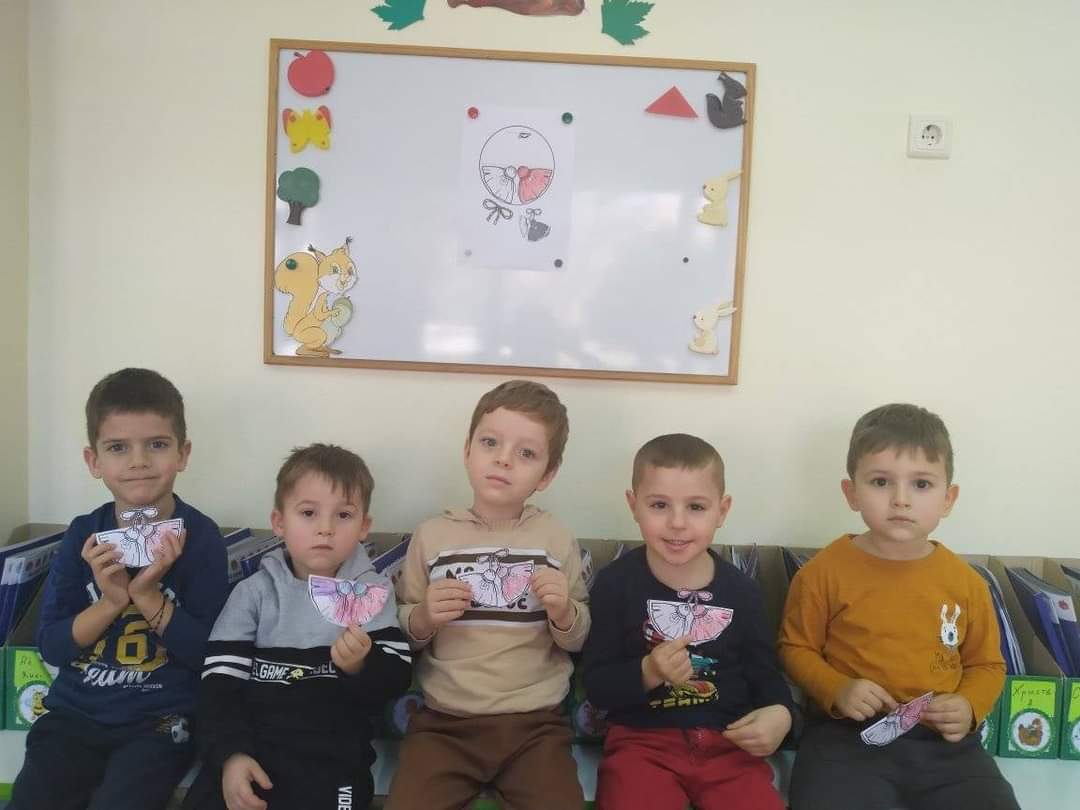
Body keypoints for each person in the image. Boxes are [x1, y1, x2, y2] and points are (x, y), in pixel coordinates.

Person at [779, 403, 1019, 810]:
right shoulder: (822, 573)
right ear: (852, 493)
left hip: (944, 745)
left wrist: (969, 705)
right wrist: (837, 688)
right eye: (881, 482)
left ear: (948, 498)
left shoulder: (966, 583)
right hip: (846, 738)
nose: (901, 500)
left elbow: (986, 665)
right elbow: (794, 648)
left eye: (921, 484)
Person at [11, 368, 229, 810]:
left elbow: (209, 655)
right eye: (117, 447)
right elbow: (52, 647)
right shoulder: (83, 535)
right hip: (74, 715)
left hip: (160, 720)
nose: (138, 461)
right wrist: (112, 602)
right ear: (94, 461)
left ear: (183, 453)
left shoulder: (202, 538)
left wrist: (148, 597)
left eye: (157, 444)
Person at [386, 380, 590, 810]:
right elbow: (399, 629)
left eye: (526, 453)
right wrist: (424, 616)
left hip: (536, 725)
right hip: (443, 723)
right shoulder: (432, 535)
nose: (503, 459)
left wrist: (564, 612)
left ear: (547, 474)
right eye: (490, 442)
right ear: (467, 450)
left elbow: (579, 638)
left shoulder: (555, 538)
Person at [184, 443, 412, 810]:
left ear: (364, 527)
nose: (325, 529)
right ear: (279, 522)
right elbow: (219, 688)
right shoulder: (253, 594)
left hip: (334, 758)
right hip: (252, 746)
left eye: (343, 515)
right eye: (308, 513)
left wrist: (362, 664)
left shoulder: (373, 592)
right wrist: (231, 755)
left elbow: (396, 678)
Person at [583, 433, 793, 810]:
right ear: (633, 505)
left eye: (696, 507)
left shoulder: (742, 590)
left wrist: (781, 715)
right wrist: (648, 671)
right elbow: (597, 686)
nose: (677, 523)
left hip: (730, 744)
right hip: (641, 744)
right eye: (659, 505)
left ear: (722, 511)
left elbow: (766, 677)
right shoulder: (615, 583)